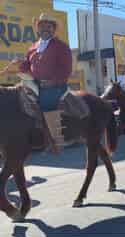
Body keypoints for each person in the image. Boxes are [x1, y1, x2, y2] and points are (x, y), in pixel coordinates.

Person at [0, 13, 82, 153]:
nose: (45, 29)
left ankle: (55, 140)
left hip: (54, 86)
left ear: (54, 29)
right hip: (35, 83)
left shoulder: (61, 46)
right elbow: (27, 66)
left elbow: (66, 69)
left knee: (45, 103)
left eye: (49, 26)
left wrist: (52, 81)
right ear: (37, 29)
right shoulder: (33, 47)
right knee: (17, 98)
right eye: (42, 26)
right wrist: (21, 64)